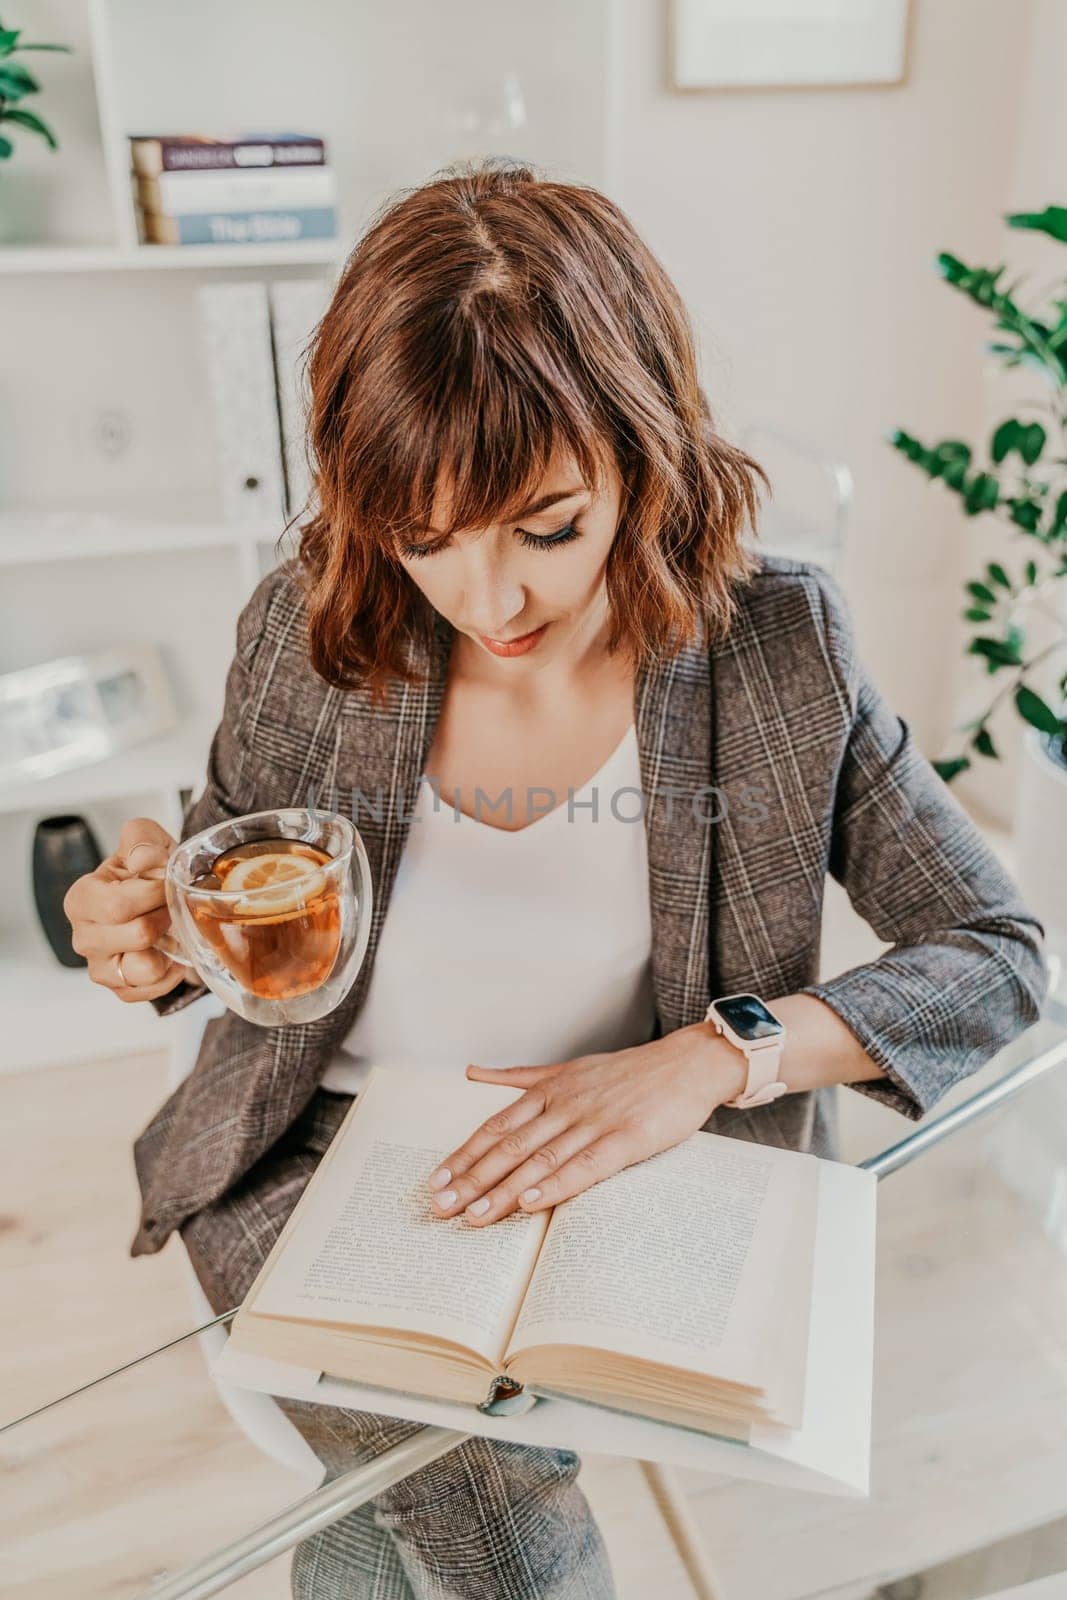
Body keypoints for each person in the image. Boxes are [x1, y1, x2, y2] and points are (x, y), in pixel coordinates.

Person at [63, 157, 1047, 1600]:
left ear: (647, 453)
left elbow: (1001, 952)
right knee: (477, 1490)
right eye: (425, 538)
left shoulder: (779, 650)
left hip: (631, 1182)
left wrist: (717, 1058)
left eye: (547, 526)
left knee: (388, 1515)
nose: (491, 600)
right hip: (311, 1161)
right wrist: (148, 937)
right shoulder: (306, 621)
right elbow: (226, 893)